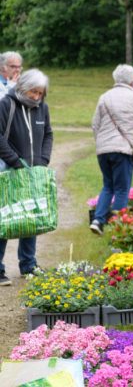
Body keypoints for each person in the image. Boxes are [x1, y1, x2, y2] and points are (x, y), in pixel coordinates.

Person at [0, 69, 52, 286]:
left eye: (40, 93)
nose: (36, 97)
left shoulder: (42, 108)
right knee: (5, 218)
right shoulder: (6, 105)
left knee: (31, 216)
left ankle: (28, 264)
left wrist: (43, 160)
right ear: (23, 88)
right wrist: (14, 160)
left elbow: (48, 133)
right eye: (33, 92)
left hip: (34, 172)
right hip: (9, 170)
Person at [89, 65, 133, 236]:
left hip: (103, 149)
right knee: (122, 188)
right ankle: (118, 227)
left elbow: (95, 124)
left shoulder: (104, 97)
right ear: (132, 81)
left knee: (108, 185)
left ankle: (98, 220)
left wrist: (101, 143)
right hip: (122, 149)